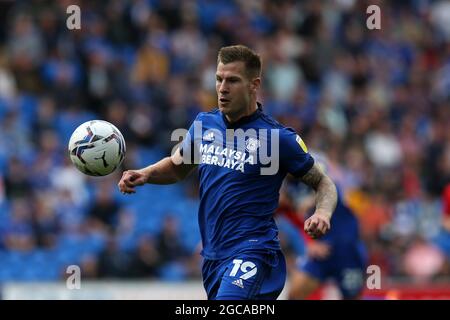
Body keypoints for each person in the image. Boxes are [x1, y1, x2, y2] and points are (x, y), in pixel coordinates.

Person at [118, 45, 338, 300]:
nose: (222, 88)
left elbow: (324, 183)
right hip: (213, 257)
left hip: (253, 253)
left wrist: (322, 212)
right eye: (219, 79)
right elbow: (178, 167)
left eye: (232, 80)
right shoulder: (204, 124)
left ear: (254, 85)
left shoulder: (278, 139)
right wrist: (145, 174)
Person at [280, 152, 368, 300]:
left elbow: (329, 188)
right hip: (320, 251)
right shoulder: (289, 187)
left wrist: (310, 200)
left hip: (346, 250)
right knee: (294, 294)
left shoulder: (315, 168)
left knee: (352, 297)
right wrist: (307, 244)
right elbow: (292, 219)